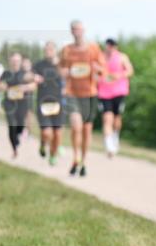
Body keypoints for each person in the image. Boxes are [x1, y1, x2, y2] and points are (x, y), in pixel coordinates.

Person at [59, 20, 104, 177]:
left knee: (86, 130)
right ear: (71, 31)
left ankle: (84, 161)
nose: (77, 32)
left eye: (79, 29)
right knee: (76, 127)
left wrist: (97, 69)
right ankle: (76, 157)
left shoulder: (93, 48)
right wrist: (64, 72)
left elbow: (102, 69)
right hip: (72, 93)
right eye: (74, 29)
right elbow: (61, 69)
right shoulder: (66, 50)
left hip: (90, 93)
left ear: (83, 30)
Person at [98, 38, 134, 157]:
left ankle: (115, 136)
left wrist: (119, 75)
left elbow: (130, 71)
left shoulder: (122, 57)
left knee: (117, 119)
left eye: (112, 46)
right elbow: (94, 72)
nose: (110, 48)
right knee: (107, 118)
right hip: (104, 93)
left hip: (119, 92)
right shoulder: (100, 58)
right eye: (108, 45)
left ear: (116, 47)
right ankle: (109, 146)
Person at [32, 42, 65, 165]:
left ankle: (53, 155)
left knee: (57, 133)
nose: (48, 51)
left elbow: (67, 76)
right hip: (43, 103)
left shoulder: (60, 65)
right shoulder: (39, 65)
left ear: (55, 51)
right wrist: (33, 77)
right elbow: (29, 74)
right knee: (46, 132)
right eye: (46, 49)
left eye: (51, 49)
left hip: (58, 102)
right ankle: (43, 143)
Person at [0, 52, 36, 159]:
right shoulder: (6, 73)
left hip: (22, 103)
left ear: (20, 62)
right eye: (13, 61)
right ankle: (14, 149)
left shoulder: (25, 73)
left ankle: (18, 135)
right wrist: (2, 86)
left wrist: (25, 87)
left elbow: (34, 85)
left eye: (17, 61)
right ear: (10, 62)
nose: (15, 63)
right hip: (9, 103)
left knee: (20, 125)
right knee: (11, 125)